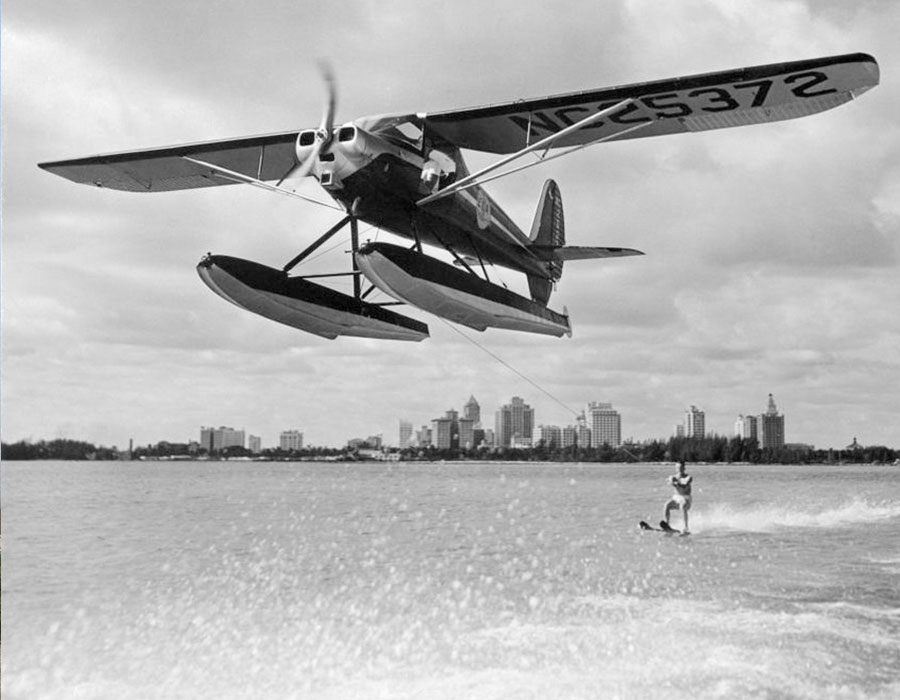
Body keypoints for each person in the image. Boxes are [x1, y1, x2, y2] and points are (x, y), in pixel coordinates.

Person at [664, 460, 692, 533]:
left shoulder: (688, 477)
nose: (679, 470)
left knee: (683, 505)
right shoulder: (673, 477)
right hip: (676, 498)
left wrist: (677, 484)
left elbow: (684, 484)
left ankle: (686, 528)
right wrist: (671, 481)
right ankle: (667, 525)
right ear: (676, 469)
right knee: (666, 505)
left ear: (684, 468)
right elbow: (668, 481)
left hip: (686, 499)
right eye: (678, 468)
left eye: (681, 468)